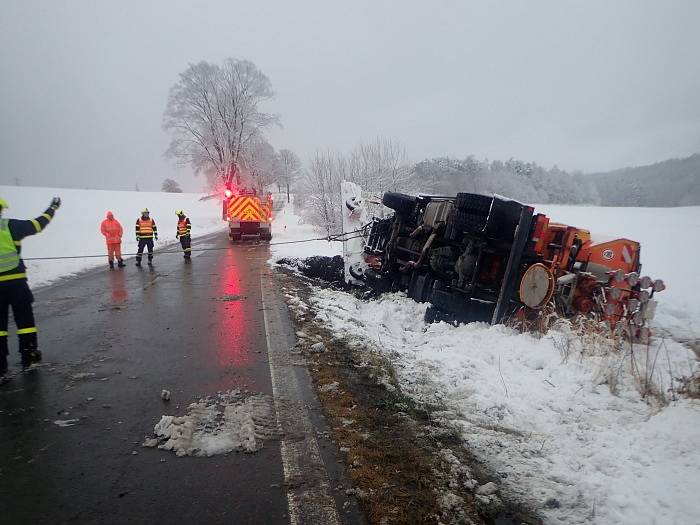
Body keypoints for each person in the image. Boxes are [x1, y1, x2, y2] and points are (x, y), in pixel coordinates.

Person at [0, 196, 61, 375]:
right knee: (25, 321)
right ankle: (29, 356)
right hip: (16, 282)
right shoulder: (10, 225)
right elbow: (38, 224)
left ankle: (0, 364)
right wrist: (52, 209)